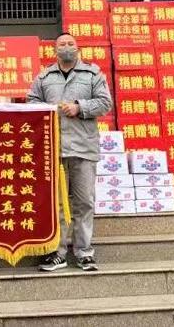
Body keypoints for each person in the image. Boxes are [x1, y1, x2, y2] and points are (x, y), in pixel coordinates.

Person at [27, 32, 113, 272]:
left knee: (84, 202)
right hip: (53, 149)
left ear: (77, 48)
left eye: (70, 43)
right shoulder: (44, 77)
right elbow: (31, 102)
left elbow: (105, 103)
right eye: (61, 44)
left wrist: (79, 107)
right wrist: (47, 109)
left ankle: (84, 252)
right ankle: (58, 252)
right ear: (55, 50)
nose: (66, 47)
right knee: (56, 204)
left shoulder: (93, 74)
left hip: (83, 148)